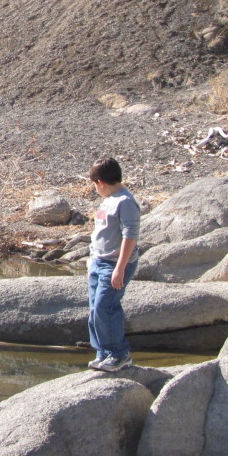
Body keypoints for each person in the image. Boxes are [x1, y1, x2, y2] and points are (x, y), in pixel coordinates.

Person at [86, 157, 140, 373]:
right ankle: (102, 353)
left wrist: (120, 267)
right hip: (98, 262)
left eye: (94, 185)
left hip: (115, 263)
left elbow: (130, 236)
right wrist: (92, 261)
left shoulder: (125, 201)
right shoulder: (108, 199)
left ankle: (119, 354)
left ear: (100, 182)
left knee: (105, 307)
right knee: (94, 310)